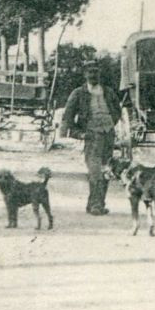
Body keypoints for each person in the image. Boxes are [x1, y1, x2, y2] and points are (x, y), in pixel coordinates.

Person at [63, 64, 122, 215]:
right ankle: (96, 205)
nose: (93, 75)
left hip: (108, 135)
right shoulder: (78, 93)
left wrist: (110, 124)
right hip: (92, 136)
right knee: (95, 171)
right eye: (90, 72)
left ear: (100, 74)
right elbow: (67, 117)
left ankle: (97, 204)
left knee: (106, 170)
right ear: (85, 75)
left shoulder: (108, 92)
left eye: (96, 72)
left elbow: (117, 110)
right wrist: (79, 134)